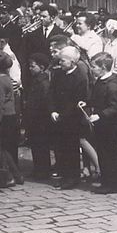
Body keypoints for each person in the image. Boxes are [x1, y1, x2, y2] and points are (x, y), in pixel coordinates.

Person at [49, 46, 90, 190]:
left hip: (72, 119)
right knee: (60, 148)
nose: (60, 63)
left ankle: (73, 177)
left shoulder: (80, 77)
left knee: (71, 149)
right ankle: (64, 174)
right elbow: (52, 93)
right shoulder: (58, 74)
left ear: (73, 62)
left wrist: (63, 115)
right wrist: (53, 110)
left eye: (63, 61)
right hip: (58, 116)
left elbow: (78, 100)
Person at [86, 52, 117, 194]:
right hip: (101, 125)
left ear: (103, 67)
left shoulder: (113, 84)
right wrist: (88, 102)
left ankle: (113, 184)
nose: (92, 69)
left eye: (94, 67)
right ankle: (106, 181)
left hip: (110, 125)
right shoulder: (100, 80)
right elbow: (98, 98)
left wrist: (100, 115)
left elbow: (115, 107)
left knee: (110, 155)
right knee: (103, 153)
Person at [0, 50, 24, 186]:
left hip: (2, 118)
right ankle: (16, 175)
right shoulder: (7, 78)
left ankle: (9, 176)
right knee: (4, 148)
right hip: (9, 116)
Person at [23, 52, 53, 179]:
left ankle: (43, 170)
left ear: (41, 67)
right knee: (35, 145)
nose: (30, 69)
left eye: (33, 66)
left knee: (41, 145)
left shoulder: (44, 82)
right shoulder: (36, 80)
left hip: (40, 119)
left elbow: (44, 101)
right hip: (34, 119)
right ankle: (38, 168)